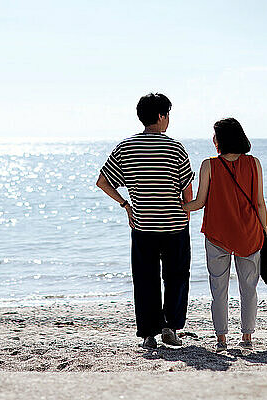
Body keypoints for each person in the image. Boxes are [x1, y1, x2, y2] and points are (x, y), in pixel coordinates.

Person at [96, 93, 194, 349]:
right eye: (168, 115)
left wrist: (125, 205)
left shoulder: (125, 148)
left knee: (145, 279)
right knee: (176, 277)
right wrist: (188, 215)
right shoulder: (175, 148)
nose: (168, 120)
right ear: (161, 116)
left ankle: (149, 335)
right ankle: (170, 328)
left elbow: (103, 182)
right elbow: (187, 190)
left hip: (142, 226)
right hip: (175, 225)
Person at [183, 118, 267, 353]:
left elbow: (199, 203)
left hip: (217, 233)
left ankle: (221, 340)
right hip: (249, 233)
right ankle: (247, 337)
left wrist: (179, 205)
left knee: (218, 289)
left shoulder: (209, 165)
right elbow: (259, 203)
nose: (213, 139)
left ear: (219, 140)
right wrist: (265, 230)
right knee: (248, 288)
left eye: (214, 135)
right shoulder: (254, 163)